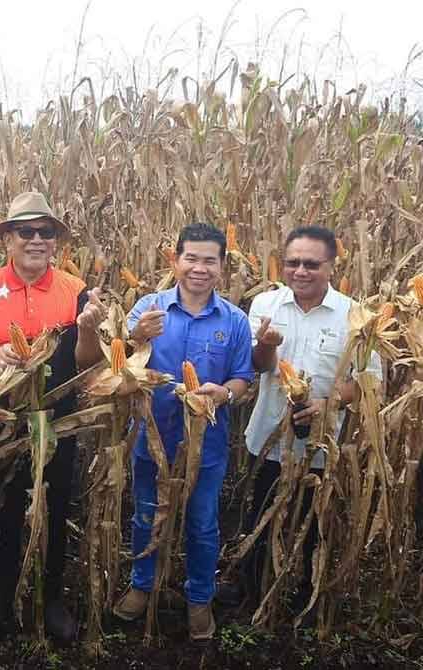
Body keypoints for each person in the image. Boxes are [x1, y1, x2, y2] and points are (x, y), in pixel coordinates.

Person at [0, 192, 107, 644]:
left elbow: (87, 364)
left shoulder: (75, 291)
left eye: (46, 232)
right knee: (2, 510)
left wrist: (90, 330)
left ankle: (51, 599)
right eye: (27, 231)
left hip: (57, 420)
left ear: (56, 240)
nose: (37, 240)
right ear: (8, 238)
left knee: (56, 509)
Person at [217, 226, 382, 612]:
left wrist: (328, 403)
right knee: (259, 518)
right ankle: (252, 589)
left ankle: (306, 596)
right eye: (293, 263)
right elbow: (258, 368)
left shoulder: (356, 317)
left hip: (324, 444)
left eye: (312, 264)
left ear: (331, 265)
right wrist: (266, 346)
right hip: (268, 437)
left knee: (313, 523)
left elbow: (369, 382)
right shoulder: (265, 306)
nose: (301, 271)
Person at [105, 222, 253, 641]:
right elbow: (119, 366)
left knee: (203, 524)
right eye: (191, 258)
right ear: (176, 260)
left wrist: (221, 393)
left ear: (223, 266)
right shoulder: (147, 310)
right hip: (150, 437)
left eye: (210, 260)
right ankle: (141, 585)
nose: (200, 268)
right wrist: (134, 337)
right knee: (146, 515)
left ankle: (200, 599)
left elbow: (243, 378)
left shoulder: (235, 321)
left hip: (207, 444)